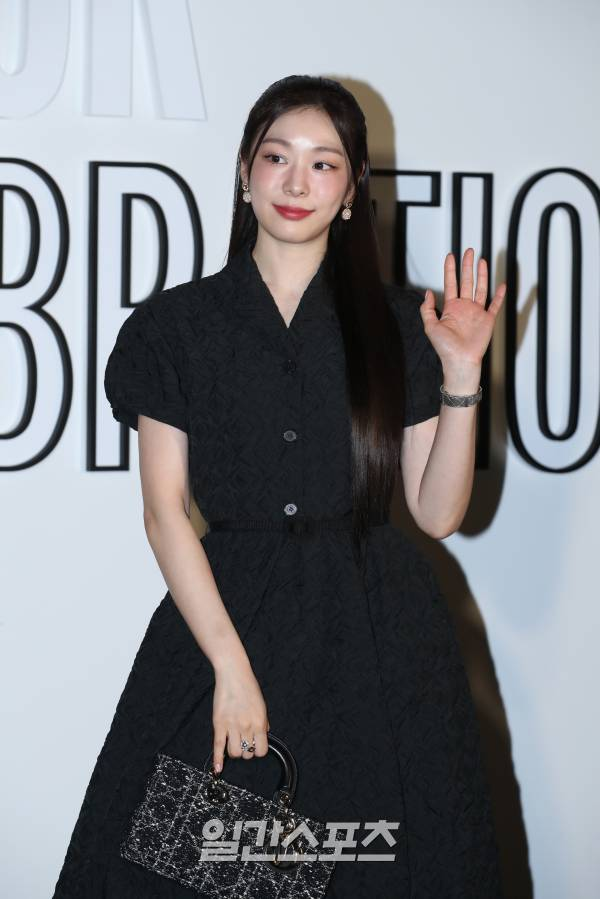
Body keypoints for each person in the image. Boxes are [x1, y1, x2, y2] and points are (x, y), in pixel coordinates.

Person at [51, 74, 506, 898]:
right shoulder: (176, 328)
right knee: (196, 866)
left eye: (324, 164)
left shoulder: (402, 324)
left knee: (375, 868)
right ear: (244, 172)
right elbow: (163, 513)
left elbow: (437, 513)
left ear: (351, 191)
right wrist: (230, 668)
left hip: (379, 641)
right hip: (227, 623)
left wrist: (462, 376)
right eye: (277, 157)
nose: (297, 182)